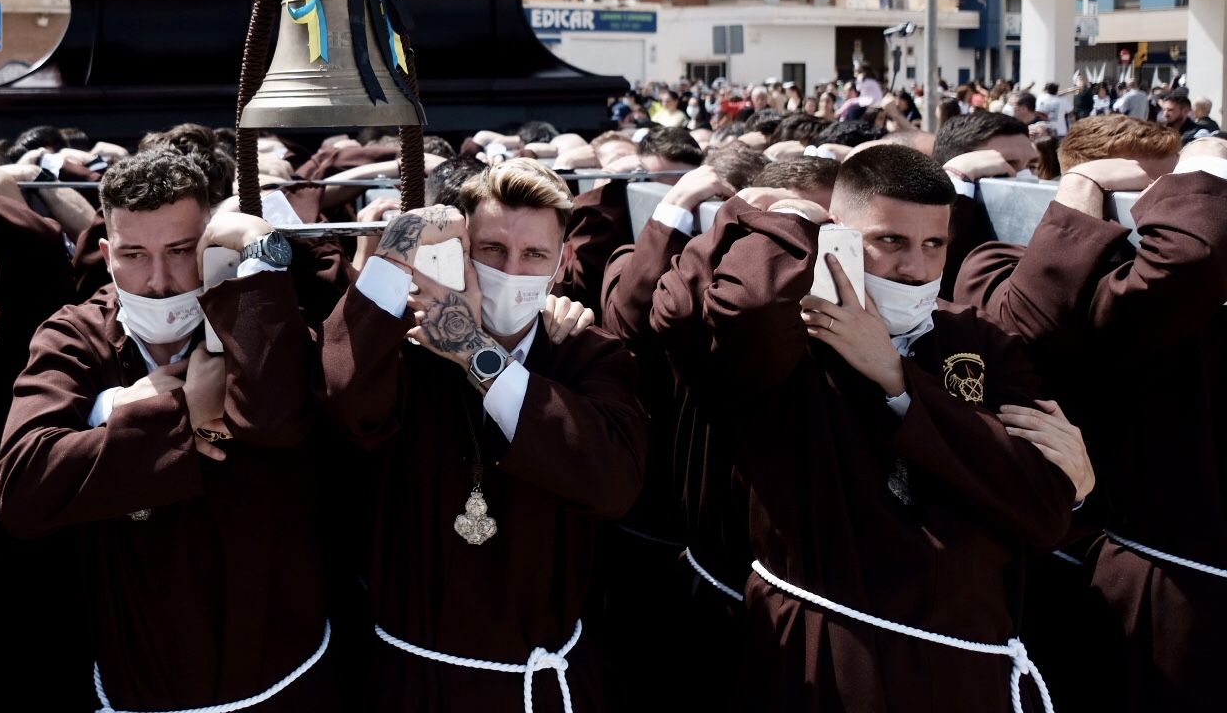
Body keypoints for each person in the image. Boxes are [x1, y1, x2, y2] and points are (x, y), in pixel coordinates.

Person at [651, 145, 1084, 712]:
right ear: (839, 237)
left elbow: (1046, 507)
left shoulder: (978, 339)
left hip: (965, 665)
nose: (916, 268)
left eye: (935, 244)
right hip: (822, 653)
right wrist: (791, 219)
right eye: (890, 241)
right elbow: (745, 307)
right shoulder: (792, 340)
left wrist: (897, 380)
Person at [0, 148, 338, 712]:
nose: (158, 280)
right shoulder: (74, 336)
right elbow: (23, 487)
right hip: (143, 673)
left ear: (210, 244)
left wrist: (255, 262)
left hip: (278, 667)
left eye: (181, 251)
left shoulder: (255, 312)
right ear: (106, 254)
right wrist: (182, 410)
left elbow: (277, 419)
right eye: (134, 254)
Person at [320, 160, 646, 711]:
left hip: (537, 684)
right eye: (492, 249)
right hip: (410, 680)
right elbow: (345, 399)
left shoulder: (589, 354)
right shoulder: (404, 350)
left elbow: (611, 483)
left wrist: (474, 351)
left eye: (533, 255)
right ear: (462, 252)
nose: (510, 269)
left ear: (562, 260)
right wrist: (401, 240)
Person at [955, 130, 1227, 713]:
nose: (1163, 205)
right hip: (1108, 566)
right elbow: (1188, 258)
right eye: (1148, 190)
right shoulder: (1007, 265)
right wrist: (1200, 182)